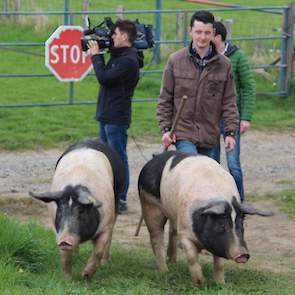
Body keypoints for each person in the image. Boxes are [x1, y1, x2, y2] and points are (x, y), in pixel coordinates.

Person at [157, 10, 239, 158]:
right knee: (192, 171)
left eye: (207, 33)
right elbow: (165, 99)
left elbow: (229, 102)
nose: (202, 37)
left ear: (213, 33)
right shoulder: (175, 61)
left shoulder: (224, 64)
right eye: (198, 32)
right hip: (183, 133)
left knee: (209, 177)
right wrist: (165, 129)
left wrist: (230, 132)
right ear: (190, 31)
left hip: (210, 135)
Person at [87, 19, 143, 214]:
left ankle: (121, 198)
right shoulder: (121, 56)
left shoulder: (128, 60)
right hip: (107, 114)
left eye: (115, 34)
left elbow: (104, 77)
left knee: (118, 158)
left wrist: (96, 56)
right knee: (106, 158)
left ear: (125, 37)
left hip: (116, 117)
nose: (112, 37)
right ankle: (109, 194)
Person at [212, 21, 256, 202]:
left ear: (218, 37)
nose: (204, 38)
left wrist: (245, 117)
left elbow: (248, 87)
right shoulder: (206, 57)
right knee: (212, 164)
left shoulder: (237, 57)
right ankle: (215, 199)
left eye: (209, 34)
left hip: (231, 118)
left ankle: (239, 201)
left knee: (233, 164)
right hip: (210, 119)